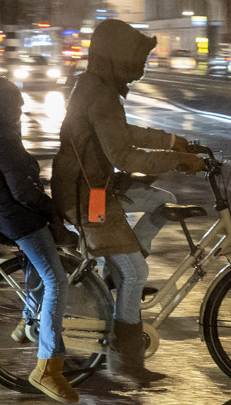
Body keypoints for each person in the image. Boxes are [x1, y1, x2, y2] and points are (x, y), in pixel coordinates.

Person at [51, 19, 204, 382]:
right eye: (136, 58)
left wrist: (171, 142)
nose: (141, 68)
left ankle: (115, 277)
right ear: (115, 57)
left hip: (95, 186)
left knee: (161, 200)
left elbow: (122, 133)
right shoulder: (99, 93)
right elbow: (124, 155)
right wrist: (179, 160)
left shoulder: (95, 86)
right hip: (86, 196)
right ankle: (128, 362)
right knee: (137, 271)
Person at [0, 76, 79, 404]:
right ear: (3, 108)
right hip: (19, 218)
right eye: (15, 109)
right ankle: (48, 367)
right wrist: (52, 211)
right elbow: (23, 190)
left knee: (39, 269)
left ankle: (29, 320)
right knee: (57, 280)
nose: (18, 114)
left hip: (5, 214)